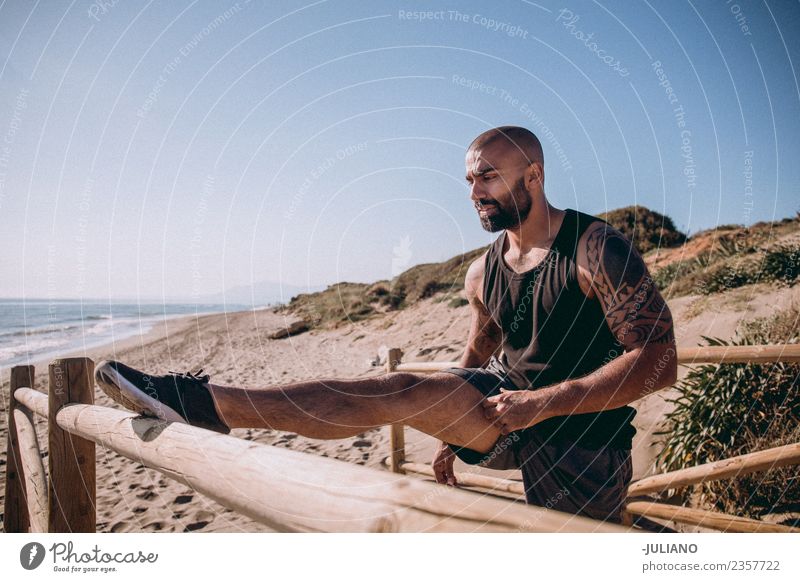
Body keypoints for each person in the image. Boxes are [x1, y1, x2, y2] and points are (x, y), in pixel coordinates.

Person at [95, 126, 677, 524]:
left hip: (581, 435)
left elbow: (660, 360)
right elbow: (482, 345)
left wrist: (547, 402)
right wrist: (451, 427)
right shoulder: (480, 273)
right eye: (470, 180)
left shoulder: (595, 249)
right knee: (398, 390)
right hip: (500, 412)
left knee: (584, 553)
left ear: (533, 174)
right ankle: (202, 401)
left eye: (488, 177)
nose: (474, 192)